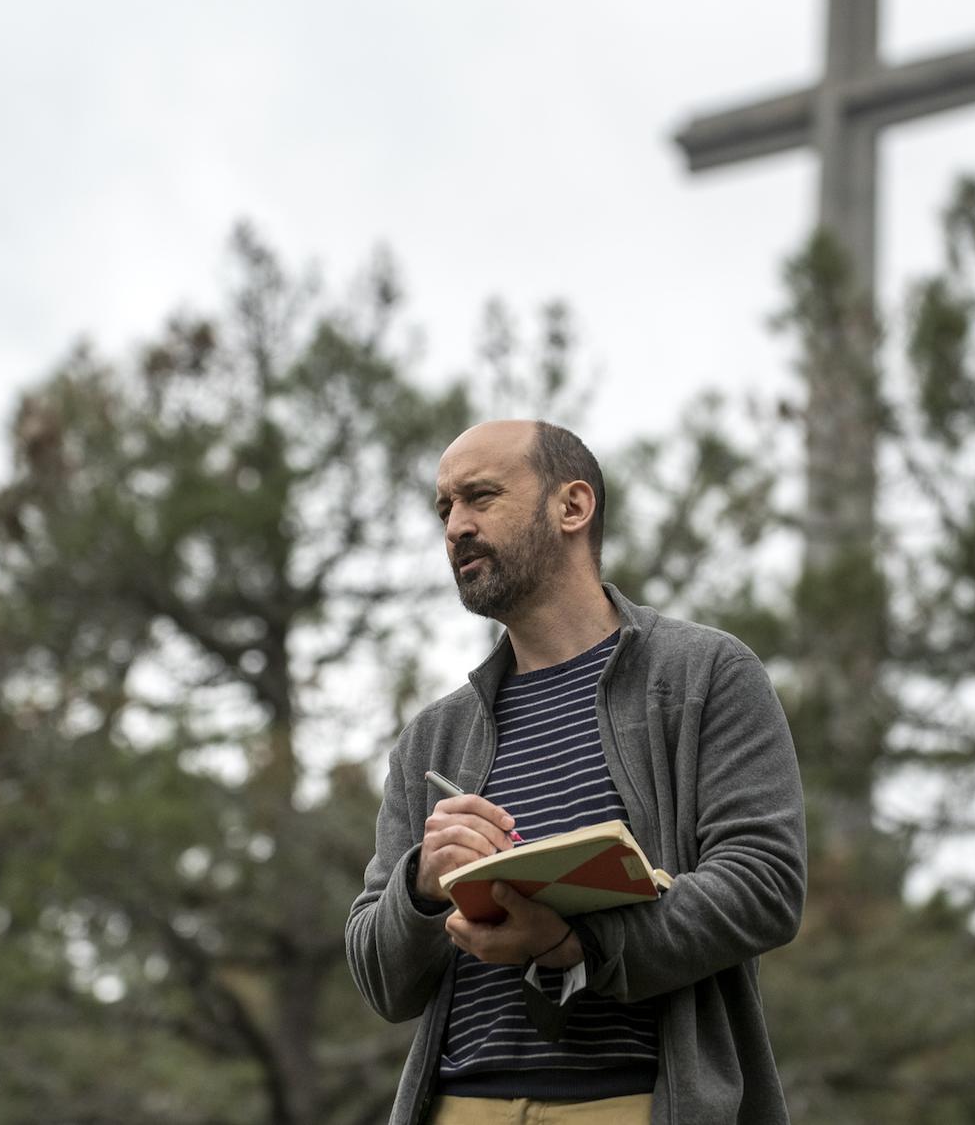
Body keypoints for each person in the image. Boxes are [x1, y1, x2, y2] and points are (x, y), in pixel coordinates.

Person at [345, 419, 807, 1125]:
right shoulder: (433, 739)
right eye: (445, 509)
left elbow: (764, 884)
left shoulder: (707, 676)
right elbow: (381, 981)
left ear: (573, 506)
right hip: (458, 1108)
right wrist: (420, 883)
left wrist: (576, 945)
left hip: (633, 1104)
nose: (456, 527)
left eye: (479, 497)